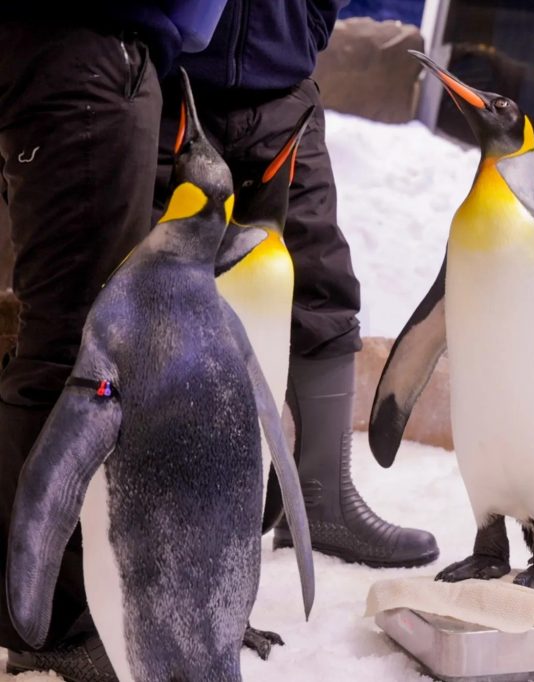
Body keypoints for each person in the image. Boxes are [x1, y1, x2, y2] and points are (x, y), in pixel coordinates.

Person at [154, 0, 439, 569]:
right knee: (154, 298)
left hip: (282, 92)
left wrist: (304, 25)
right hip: (169, 91)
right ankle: (148, 515)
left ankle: (321, 499)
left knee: (320, 283)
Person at [0, 5, 172, 679]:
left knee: (74, 341)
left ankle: (48, 606)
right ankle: (46, 622)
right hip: (83, 47)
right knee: (71, 349)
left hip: (94, 50)